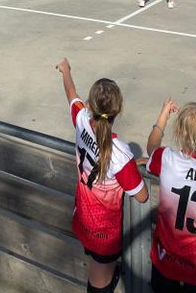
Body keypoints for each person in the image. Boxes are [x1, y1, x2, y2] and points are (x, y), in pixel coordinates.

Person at [56, 58, 148, 293]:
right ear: (118, 110)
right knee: (100, 280)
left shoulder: (81, 120)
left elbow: (71, 94)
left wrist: (66, 71)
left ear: (90, 105)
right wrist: (132, 167)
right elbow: (141, 196)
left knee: (97, 269)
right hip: (104, 231)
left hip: (83, 215)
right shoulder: (120, 154)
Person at [145, 99, 196, 293]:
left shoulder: (167, 159)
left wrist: (163, 116)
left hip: (166, 257)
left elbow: (152, 148)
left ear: (180, 134)